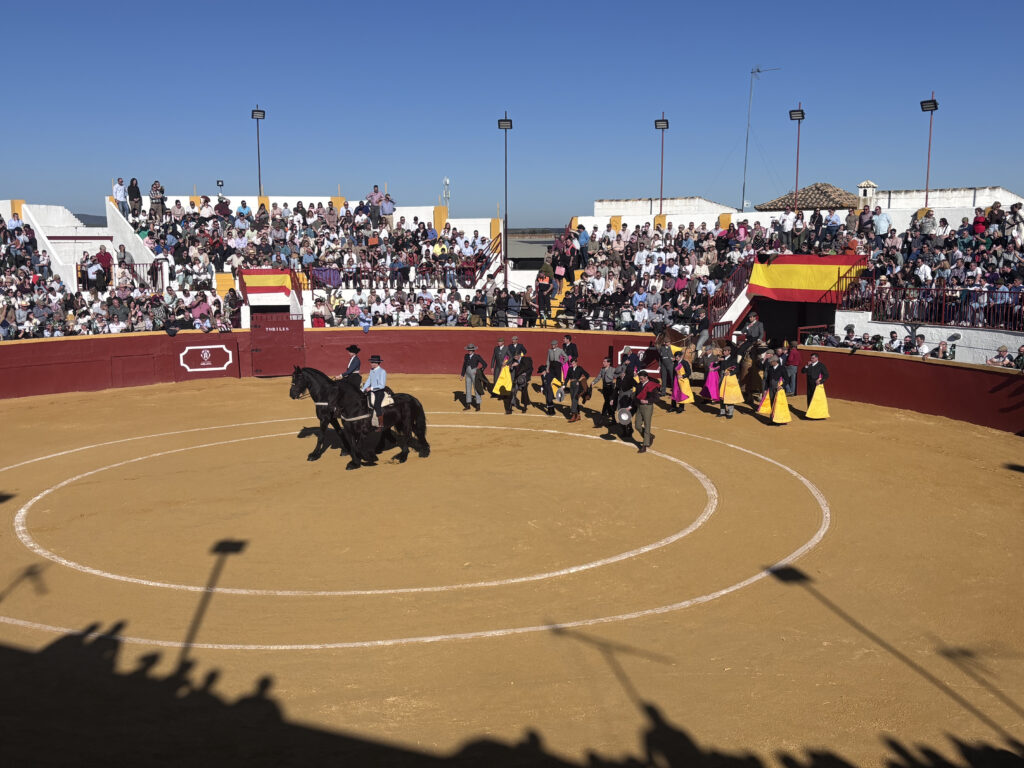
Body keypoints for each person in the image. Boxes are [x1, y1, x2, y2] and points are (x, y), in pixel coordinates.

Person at [633, 370, 659, 453]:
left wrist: (647, 401)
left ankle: (645, 445)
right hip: (639, 407)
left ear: (646, 377)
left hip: (648, 407)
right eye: (640, 379)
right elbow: (636, 396)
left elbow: (656, 398)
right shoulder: (639, 385)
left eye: (642, 379)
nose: (641, 380)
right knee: (637, 425)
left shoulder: (651, 385)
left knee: (647, 425)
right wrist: (631, 406)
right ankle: (649, 436)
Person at [717, 344, 742, 419]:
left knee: (729, 395)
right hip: (721, 377)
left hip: (729, 378)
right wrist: (717, 361)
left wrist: (730, 373)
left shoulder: (733, 359)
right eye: (723, 351)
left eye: (725, 351)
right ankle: (722, 411)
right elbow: (717, 366)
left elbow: (737, 369)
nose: (723, 352)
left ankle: (730, 412)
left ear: (729, 352)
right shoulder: (721, 358)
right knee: (721, 394)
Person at [362, 354, 387, 429]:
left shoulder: (382, 371)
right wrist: (363, 389)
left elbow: (382, 385)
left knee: (376, 405)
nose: (371, 364)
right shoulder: (372, 370)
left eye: (373, 362)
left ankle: (381, 424)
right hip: (371, 391)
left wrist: (371, 388)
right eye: (371, 362)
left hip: (379, 392)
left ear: (377, 363)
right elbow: (368, 380)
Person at [460, 343, 487, 411]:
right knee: (468, 389)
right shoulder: (466, 356)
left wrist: (479, 371)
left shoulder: (477, 356)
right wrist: (462, 375)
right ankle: (468, 405)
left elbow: (485, 364)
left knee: (476, 388)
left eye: (471, 350)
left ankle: (478, 405)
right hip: (467, 373)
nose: (469, 351)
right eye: (468, 349)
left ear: (473, 350)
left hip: (474, 373)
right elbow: (464, 365)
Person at [591, 357, 618, 423]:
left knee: (607, 402)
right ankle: (612, 418)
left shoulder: (613, 369)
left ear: (609, 363)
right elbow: (599, 376)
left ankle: (603, 416)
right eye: (603, 361)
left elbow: (618, 376)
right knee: (607, 402)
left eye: (604, 362)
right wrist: (594, 382)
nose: (603, 363)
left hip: (610, 388)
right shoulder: (602, 369)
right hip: (605, 388)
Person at [507, 349, 534, 414]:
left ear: (519, 355)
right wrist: (512, 366)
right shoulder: (514, 361)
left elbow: (531, 369)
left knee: (524, 393)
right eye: (514, 356)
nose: (515, 357)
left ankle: (524, 407)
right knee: (513, 391)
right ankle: (510, 408)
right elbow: (511, 371)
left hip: (524, 379)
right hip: (516, 379)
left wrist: (525, 374)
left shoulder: (526, 359)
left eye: (516, 356)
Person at [564, 358, 590, 423]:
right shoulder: (570, 369)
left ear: (576, 362)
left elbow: (587, 375)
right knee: (573, 399)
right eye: (571, 363)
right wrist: (564, 385)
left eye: (573, 363)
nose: (572, 364)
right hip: (571, 385)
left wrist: (581, 380)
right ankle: (578, 415)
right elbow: (567, 377)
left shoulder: (579, 368)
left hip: (577, 385)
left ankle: (573, 415)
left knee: (574, 399)